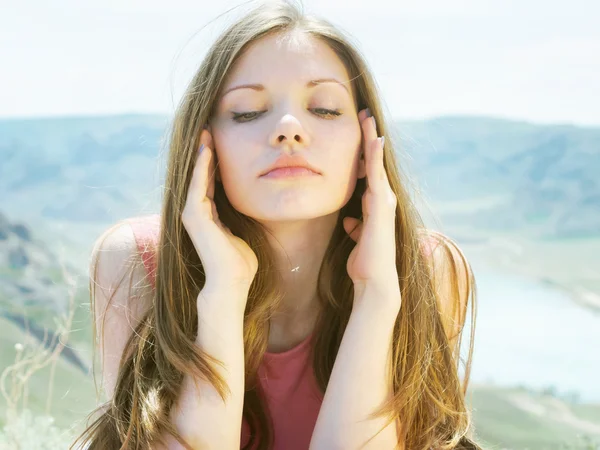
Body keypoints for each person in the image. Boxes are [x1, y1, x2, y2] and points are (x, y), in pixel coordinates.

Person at [72, 1, 480, 449]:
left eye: (324, 109)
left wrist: (377, 297)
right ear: (204, 145)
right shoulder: (138, 263)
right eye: (247, 112)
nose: (289, 129)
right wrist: (223, 294)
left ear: (367, 147)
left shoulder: (426, 269)